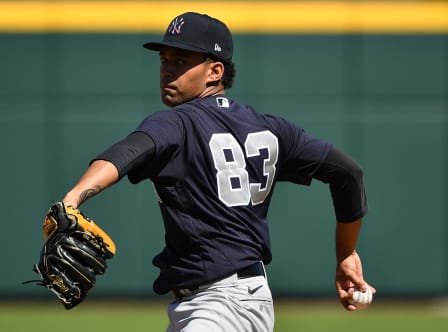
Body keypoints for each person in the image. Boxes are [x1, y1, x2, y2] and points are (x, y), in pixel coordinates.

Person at [61, 12, 375, 332]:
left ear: (215, 71)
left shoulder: (176, 122)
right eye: (164, 59)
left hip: (220, 306)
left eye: (181, 61)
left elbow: (128, 152)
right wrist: (346, 253)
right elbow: (348, 174)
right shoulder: (271, 128)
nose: (168, 69)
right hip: (233, 302)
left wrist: (73, 198)